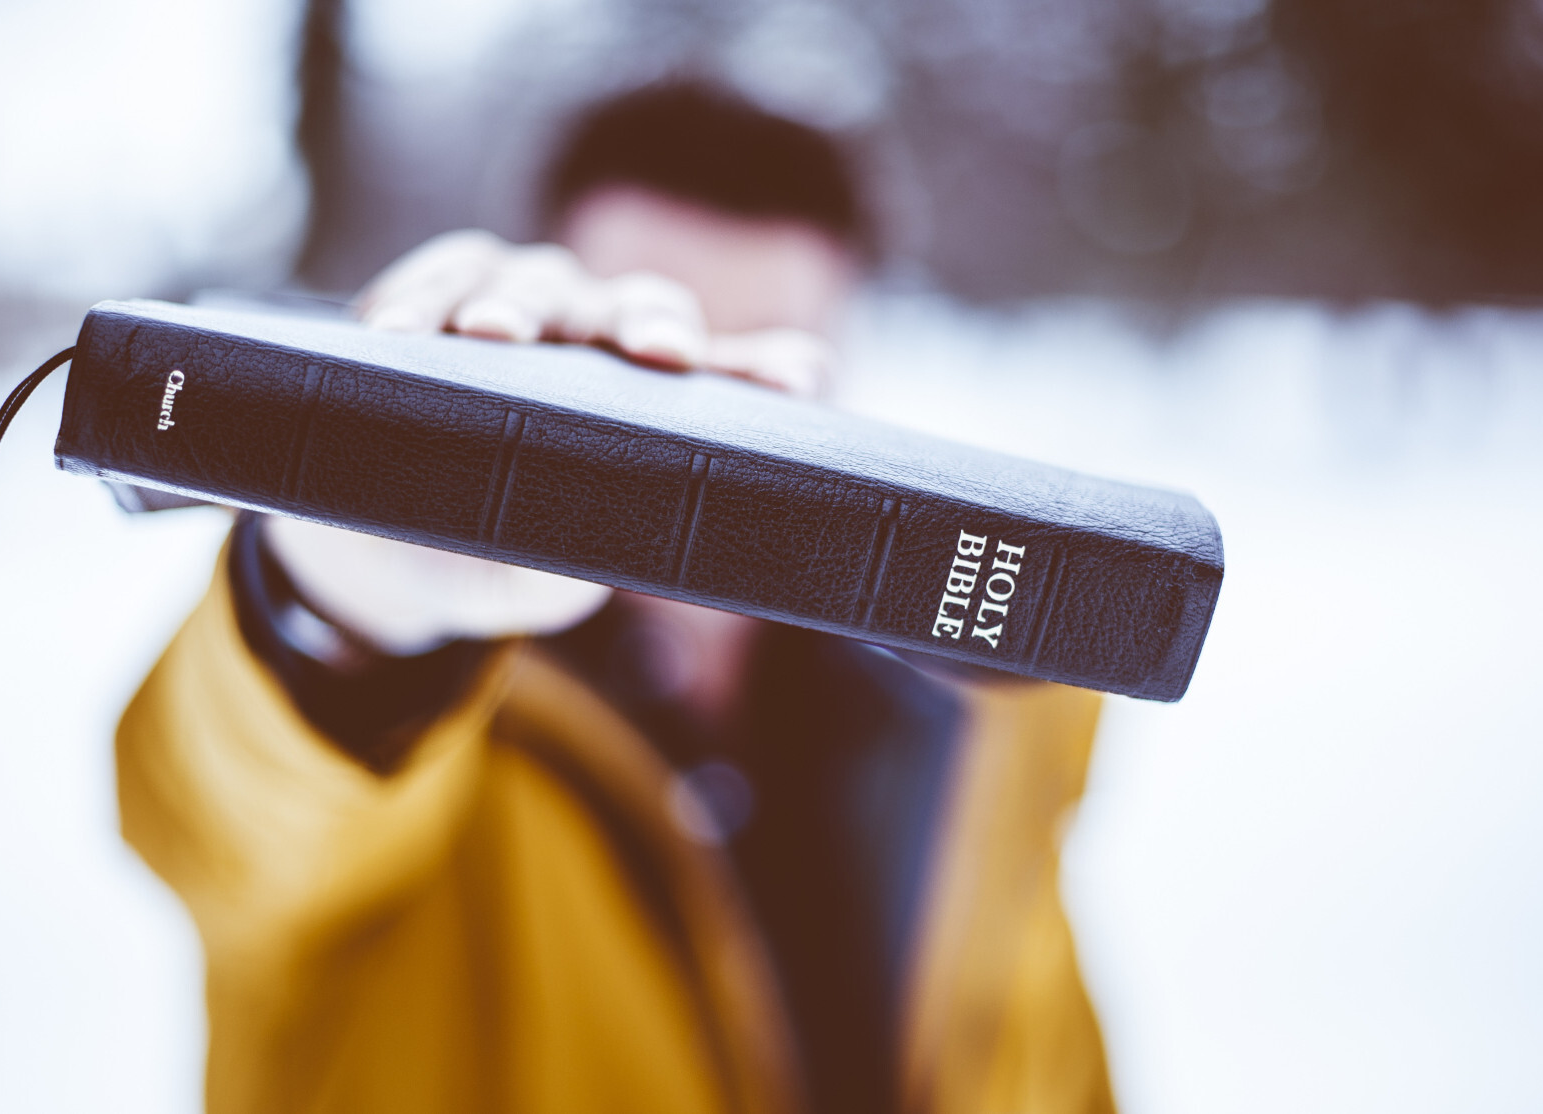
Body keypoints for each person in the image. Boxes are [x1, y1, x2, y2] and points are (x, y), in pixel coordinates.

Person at [117, 83, 1113, 1114]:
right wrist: (341, 604)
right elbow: (222, 815)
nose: (710, 433)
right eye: (650, 360)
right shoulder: (415, 728)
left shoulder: (977, 725)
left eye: (760, 367)